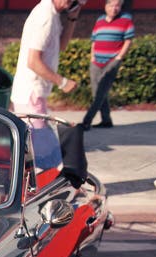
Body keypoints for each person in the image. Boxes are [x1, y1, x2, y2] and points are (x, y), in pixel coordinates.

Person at [10, 0, 83, 170]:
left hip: (34, 93)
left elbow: (61, 46)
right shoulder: (45, 17)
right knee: (46, 151)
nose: (71, 2)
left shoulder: (53, 15)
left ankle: (49, 184)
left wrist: (72, 19)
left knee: (37, 149)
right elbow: (33, 62)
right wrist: (62, 82)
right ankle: (57, 185)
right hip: (31, 93)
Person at [81, 0, 135, 130]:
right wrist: (92, 56)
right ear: (106, 6)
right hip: (96, 62)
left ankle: (86, 122)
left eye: (118, 6)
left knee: (100, 93)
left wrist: (119, 57)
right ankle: (106, 121)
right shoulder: (99, 20)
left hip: (111, 62)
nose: (114, 8)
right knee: (98, 93)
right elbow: (94, 40)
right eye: (112, 5)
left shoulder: (126, 20)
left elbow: (128, 41)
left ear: (120, 7)